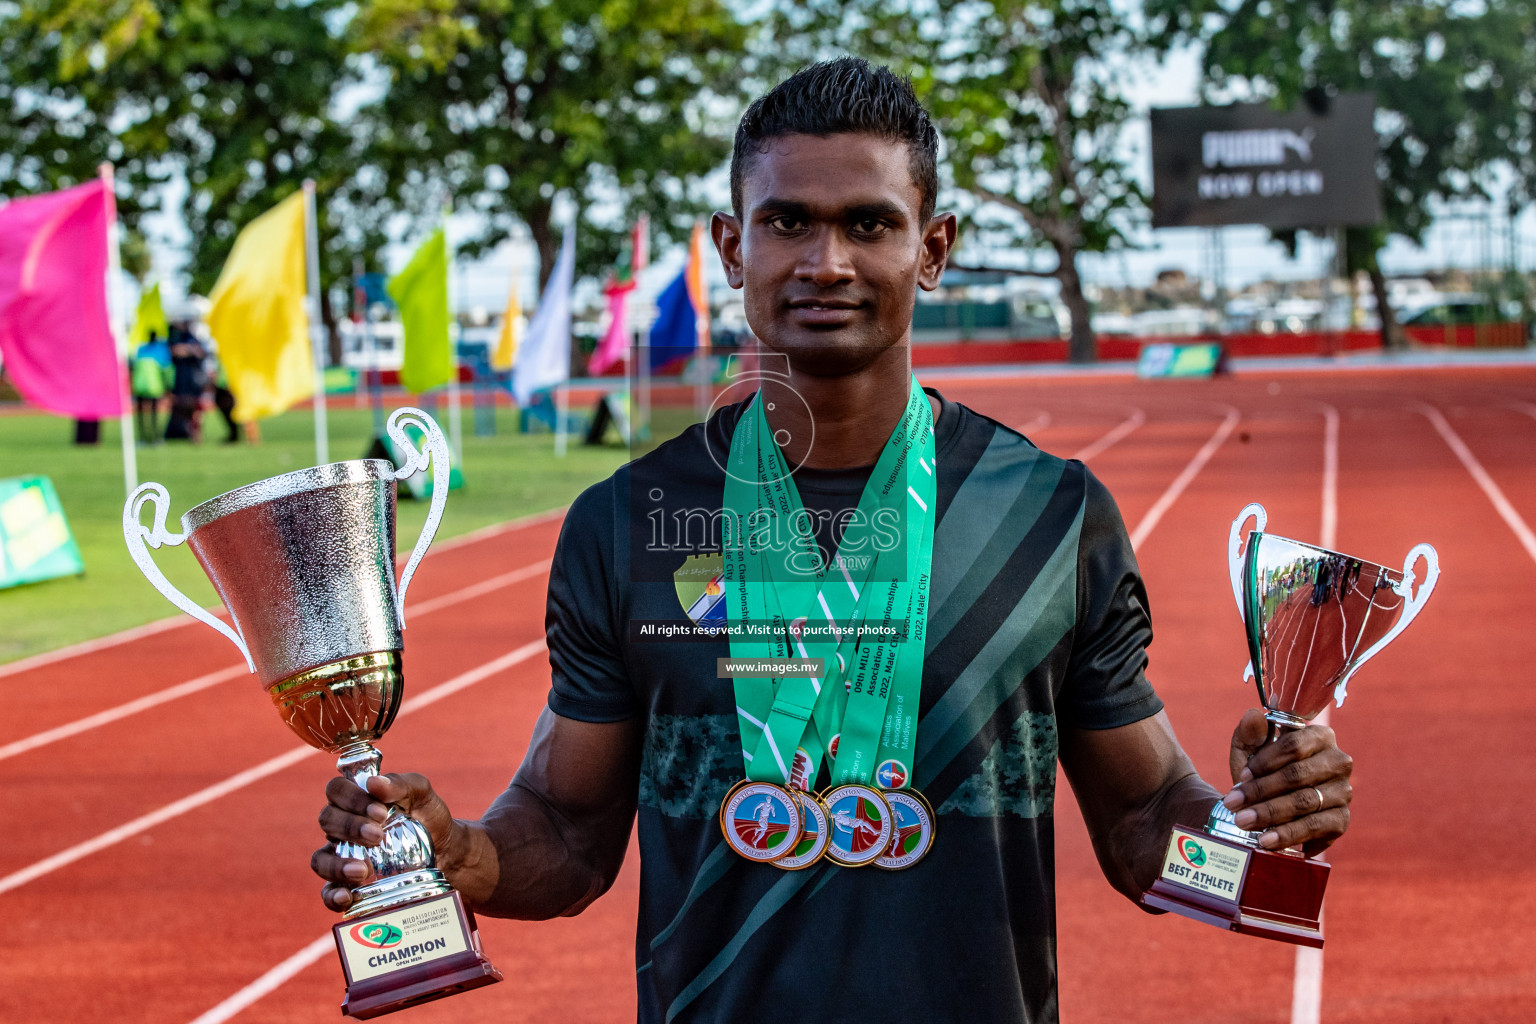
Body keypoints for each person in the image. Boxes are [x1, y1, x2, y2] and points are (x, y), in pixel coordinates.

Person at [312, 59, 1353, 1023]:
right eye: (788, 223)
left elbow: (1140, 825)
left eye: (869, 224)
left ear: (930, 248)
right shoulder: (623, 525)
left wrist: (1252, 819)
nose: (827, 262)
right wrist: (453, 853)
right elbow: (569, 831)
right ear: (733, 247)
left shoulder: (1050, 515)